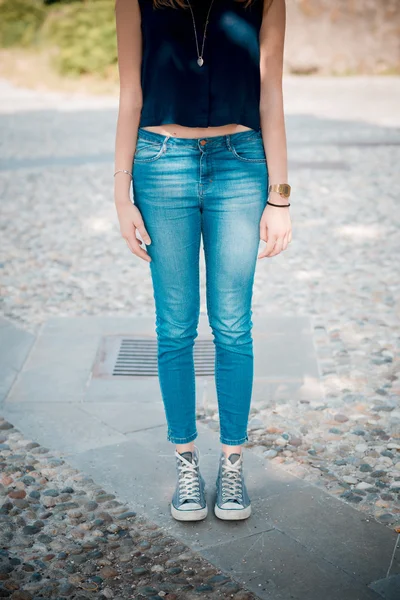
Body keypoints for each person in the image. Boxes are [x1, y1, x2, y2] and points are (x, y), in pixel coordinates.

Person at [113, 0, 291, 522]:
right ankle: (186, 463)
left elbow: (271, 94)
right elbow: (130, 95)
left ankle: (232, 465)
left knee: (233, 325)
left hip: (240, 163)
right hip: (159, 163)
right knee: (174, 327)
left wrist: (281, 197)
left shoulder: (265, 0)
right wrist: (121, 195)